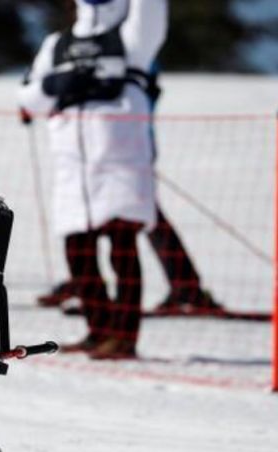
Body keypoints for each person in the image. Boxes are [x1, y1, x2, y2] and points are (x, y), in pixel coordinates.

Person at [19, 0, 168, 359]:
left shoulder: (131, 37)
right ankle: (98, 330)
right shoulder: (57, 44)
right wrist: (56, 83)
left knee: (122, 247)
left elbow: (151, 9)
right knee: (78, 251)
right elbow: (28, 98)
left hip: (121, 161)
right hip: (72, 165)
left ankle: (124, 337)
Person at [35, 61, 222, 316]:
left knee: (126, 222)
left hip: (122, 151)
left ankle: (185, 287)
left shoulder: (131, 57)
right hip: (102, 149)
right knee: (96, 220)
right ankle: (181, 285)